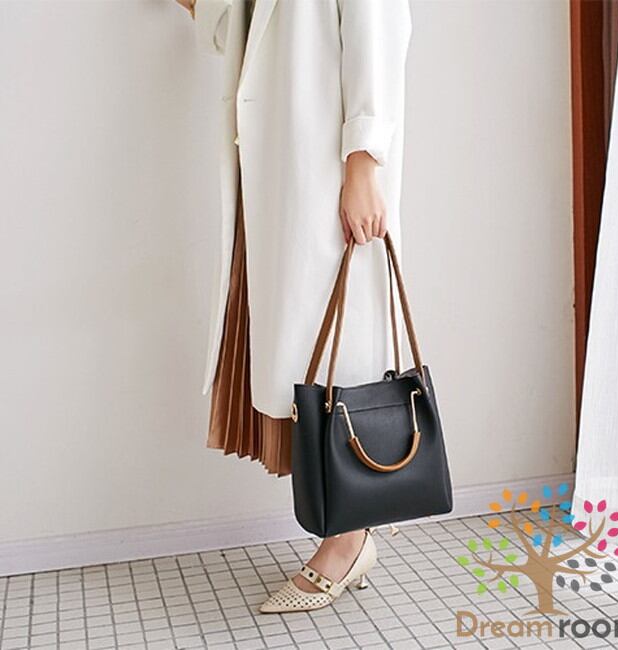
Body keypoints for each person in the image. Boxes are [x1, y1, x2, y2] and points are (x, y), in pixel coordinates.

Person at [176, 0, 412, 612]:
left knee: (342, 349)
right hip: (273, 160)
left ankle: (350, 538)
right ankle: (347, 529)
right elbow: (234, 31)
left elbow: (378, 34)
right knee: (302, 356)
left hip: (326, 167)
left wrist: (363, 163)